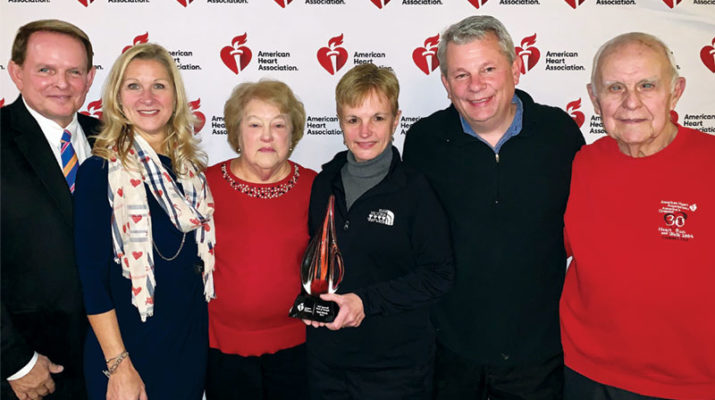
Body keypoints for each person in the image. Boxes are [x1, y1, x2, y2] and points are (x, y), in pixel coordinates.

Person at [403, 15, 585, 399]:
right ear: (445, 83)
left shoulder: (561, 135)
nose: (476, 86)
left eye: (488, 68)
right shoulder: (424, 142)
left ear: (516, 67)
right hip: (449, 353)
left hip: (540, 356)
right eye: (461, 74)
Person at [561, 32, 715, 400]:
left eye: (647, 85)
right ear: (594, 98)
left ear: (676, 91)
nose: (631, 103)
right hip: (586, 372)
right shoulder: (584, 162)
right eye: (615, 88)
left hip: (690, 384)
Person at [74, 43, 216, 400]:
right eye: (134, 85)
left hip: (187, 346)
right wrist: (119, 364)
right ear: (118, 98)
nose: (147, 97)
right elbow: (91, 281)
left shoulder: (192, 173)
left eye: (159, 85)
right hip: (127, 351)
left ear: (175, 97)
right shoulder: (99, 171)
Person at [305, 63, 454, 399]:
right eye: (353, 119)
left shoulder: (416, 190)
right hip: (326, 364)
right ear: (340, 122)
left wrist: (365, 302)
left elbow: (439, 275)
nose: (365, 131)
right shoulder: (323, 183)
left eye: (378, 118)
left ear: (397, 119)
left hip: (395, 370)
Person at [1, 19, 98, 400]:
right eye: (46, 70)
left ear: (90, 78)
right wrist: (14, 361)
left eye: (74, 71)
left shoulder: (110, 139)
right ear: (16, 73)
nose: (62, 83)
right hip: (26, 371)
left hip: (106, 362)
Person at [204, 80, 316, 400]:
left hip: (298, 349)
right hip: (222, 350)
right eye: (255, 124)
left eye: (278, 124)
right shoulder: (204, 185)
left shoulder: (315, 187)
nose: (267, 136)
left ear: (291, 134)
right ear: (237, 133)